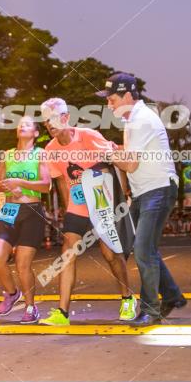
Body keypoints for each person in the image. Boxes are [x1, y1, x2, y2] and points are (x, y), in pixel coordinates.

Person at [39, 97, 137, 326]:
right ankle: (62, 313)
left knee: (110, 254)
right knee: (67, 253)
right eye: (46, 121)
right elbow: (62, 181)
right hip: (77, 206)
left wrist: (122, 197)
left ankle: (127, 298)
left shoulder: (88, 136)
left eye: (54, 119)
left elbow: (114, 163)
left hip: (102, 201)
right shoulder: (50, 149)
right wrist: (68, 211)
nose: (50, 124)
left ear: (66, 118)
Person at [101, 73, 187, 325]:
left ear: (128, 96)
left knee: (142, 251)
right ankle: (172, 295)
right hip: (144, 192)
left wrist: (107, 152)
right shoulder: (133, 120)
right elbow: (130, 160)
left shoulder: (141, 120)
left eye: (112, 99)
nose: (109, 105)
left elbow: (129, 163)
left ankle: (151, 310)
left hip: (157, 190)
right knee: (145, 249)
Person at [0, 116, 51, 324]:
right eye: (20, 124)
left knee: (22, 264)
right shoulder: (7, 155)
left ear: (35, 133)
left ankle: (31, 307)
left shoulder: (40, 154)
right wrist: (8, 186)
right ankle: (11, 292)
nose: (22, 126)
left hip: (32, 210)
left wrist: (21, 182)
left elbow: (46, 186)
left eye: (27, 125)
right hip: (9, 209)